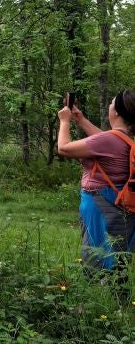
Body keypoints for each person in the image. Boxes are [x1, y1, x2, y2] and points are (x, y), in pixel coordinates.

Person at [57, 89, 135, 273]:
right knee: (114, 252)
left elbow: (64, 148)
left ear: (116, 112)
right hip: (117, 205)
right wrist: (81, 119)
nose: (109, 105)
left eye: (111, 102)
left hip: (100, 205)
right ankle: (114, 292)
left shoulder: (109, 140)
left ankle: (99, 289)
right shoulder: (125, 139)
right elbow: (103, 138)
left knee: (97, 251)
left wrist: (64, 121)